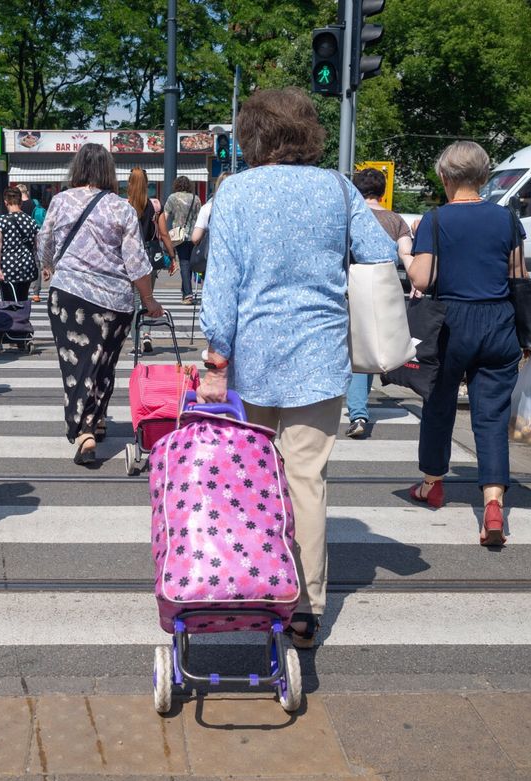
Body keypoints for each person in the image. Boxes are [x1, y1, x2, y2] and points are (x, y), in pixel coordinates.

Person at [196, 88, 397, 649]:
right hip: (319, 356)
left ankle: (256, 585)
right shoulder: (336, 188)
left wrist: (216, 357)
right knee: (306, 480)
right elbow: (379, 257)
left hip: (253, 357)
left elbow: (223, 284)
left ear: (252, 134)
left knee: (252, 478)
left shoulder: (234, 192)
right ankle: (305, 608)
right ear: (307, 132)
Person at [406, 140, 531, 547]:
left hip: (449, 324)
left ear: (445, 177)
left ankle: (432, 483)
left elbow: (422, 280)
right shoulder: (507, 219)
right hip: (499, 322)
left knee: (438, 403)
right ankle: (493, 503)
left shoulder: (436, 219)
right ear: (484, 177)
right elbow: (519, 276)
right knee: (491, 415)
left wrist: (407, 253)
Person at [36, 143, 163, 466]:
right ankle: (99, 417)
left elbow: (45, 243)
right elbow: (136, 261)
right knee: (104, 362)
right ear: (109, 171)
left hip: (70, 294)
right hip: (114, 301)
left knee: (77, 364)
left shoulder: (60, 201)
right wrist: (148, 300)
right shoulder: (121, 208)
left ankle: (84, 431)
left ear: (77, 169)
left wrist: (51, 266)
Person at [345, 167, 415, 439]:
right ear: (383, 191)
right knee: (371, 346)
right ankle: (358, 409)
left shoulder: (350, 217)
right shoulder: (395, 219)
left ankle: (358, 412)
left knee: (358, 348)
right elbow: (405, 253)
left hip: (351, 286)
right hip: (383, 288)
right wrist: (416, 281)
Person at [127, 167, 176, 353]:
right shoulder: (155, 205)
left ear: (130, 184)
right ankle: (147, 334)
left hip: (131, 257)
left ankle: (136, 343)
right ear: (147, 184)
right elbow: (164, 233)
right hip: (150, 257)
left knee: (134, 302)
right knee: (148, 297)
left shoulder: (126, 206)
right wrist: (172, 257)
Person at [0, 188, 40, 305]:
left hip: (8, 267)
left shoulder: (1, 221)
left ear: (6, 202)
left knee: (8, 301)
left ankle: (11, 321)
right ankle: (21, 321)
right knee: (22, 299)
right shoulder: (30, 221)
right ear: (21, 202)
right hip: (26, 266)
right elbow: (37, 245)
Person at [163, 177, 201, 304]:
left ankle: (188, 295)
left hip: (179, 236)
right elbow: (199, 218)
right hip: (194, 235)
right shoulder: (196, 198)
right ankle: (185, 291)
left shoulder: (172, 198)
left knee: (184, 263)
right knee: (189, 264)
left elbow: (165, 216)